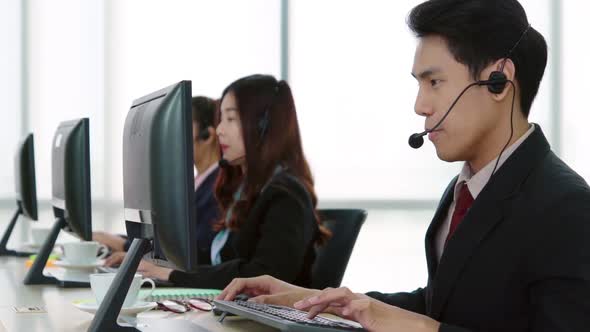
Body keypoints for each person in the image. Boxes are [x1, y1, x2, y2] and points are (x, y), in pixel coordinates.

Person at [217, 1, 590, 331]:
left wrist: (424, 329)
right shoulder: (467, 187)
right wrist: (315, 300)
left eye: (434, 82)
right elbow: (440, 304)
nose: (420, 106)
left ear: (498, 81)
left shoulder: (567, 207)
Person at [116, 74, 330, 289]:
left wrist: (173, 275)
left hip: (264, 318)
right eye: (220, 119)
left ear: (263, 126)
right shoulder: (246, 190)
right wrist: (159, 265)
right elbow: (218, 260)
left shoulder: (286, 194)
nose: (219, 130)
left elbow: (261, 275)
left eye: (230, 119)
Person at [95, 96, 221, 263]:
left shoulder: (220, 187)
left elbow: (196, 251)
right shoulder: (195, 183)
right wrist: (118, 240)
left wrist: (125, 247)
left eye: (180, 127)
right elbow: (170, 240)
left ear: (207, 135)